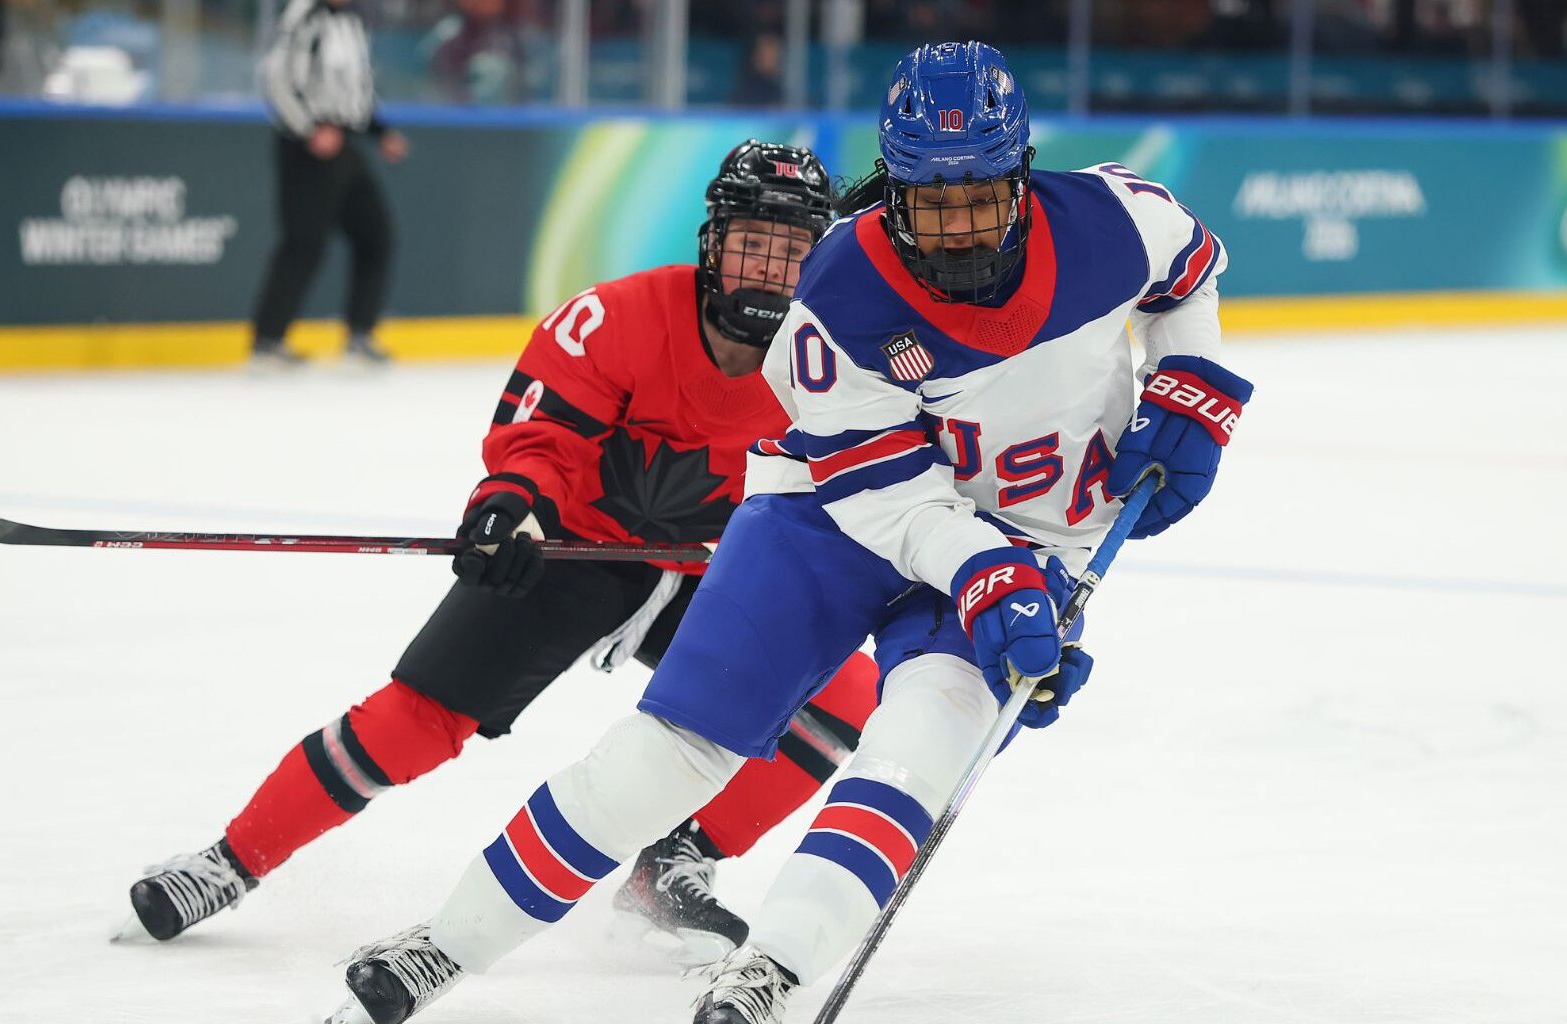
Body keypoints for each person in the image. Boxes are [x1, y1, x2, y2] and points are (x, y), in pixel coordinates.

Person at [324, 40, 1254, 1024]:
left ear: (1021, 174)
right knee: (669, 753)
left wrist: (1197, 388)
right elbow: (888, 497)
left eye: (979, 196)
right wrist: (985, 572)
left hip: (1032, 538)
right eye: (931, 202)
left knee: (911, 761)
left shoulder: (1119, 220)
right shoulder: (841, 291)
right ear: (892, 190)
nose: (958, 230)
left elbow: (1191, 273)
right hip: (836, 512)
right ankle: (445, 943)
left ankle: (772, 969)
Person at [129, 140, 883, 968]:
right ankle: (231, 861)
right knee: (418, 720)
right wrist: (513, 506)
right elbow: (544, 434)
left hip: (714, 571)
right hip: (572, 552)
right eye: (751, 243)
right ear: (712, 242)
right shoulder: (620, 317)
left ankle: (675, 866)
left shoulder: (834, 360)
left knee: (844, 690)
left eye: (793, 250)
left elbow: (880, 476)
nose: (769, 270)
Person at [250, 0, 410, 367]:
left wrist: (379, 131)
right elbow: (276, 77)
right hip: (307, 148)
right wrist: (309, 129)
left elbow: (355, 88)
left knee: (376, 235)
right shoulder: (304, 14)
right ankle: (267, 340)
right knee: (304, 242)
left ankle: (359, 334)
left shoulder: (352, 20)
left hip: (344, 145)